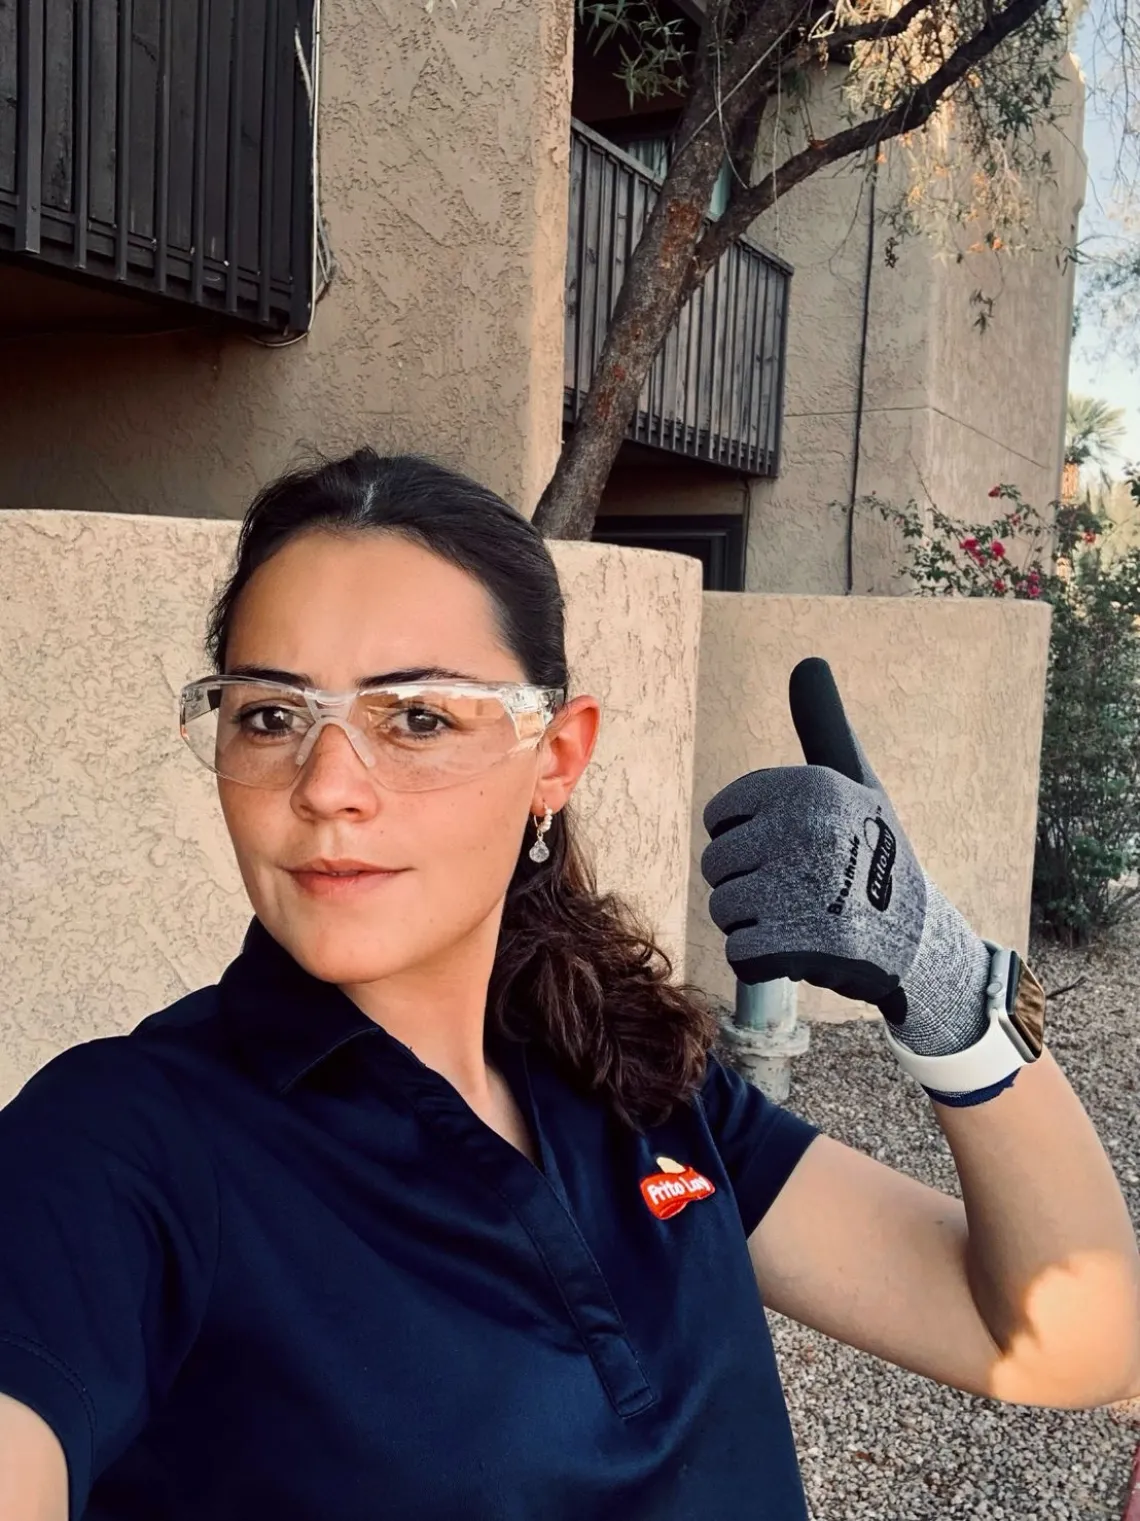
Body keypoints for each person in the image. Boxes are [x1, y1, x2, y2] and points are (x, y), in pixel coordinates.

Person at [0, 450, 1137, 1521]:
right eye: (271, 715)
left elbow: (1076, 1341)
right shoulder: (116, 1146)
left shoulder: (636, 1074)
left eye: (418, 716)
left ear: (556, 755)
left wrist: (945, 979)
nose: (328, 785)